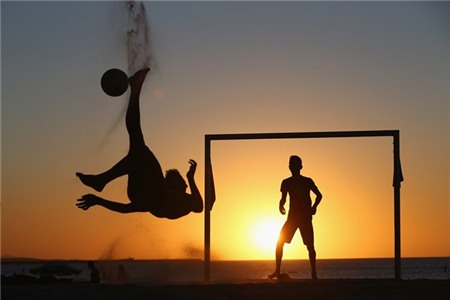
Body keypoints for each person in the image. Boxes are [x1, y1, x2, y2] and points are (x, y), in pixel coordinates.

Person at [76, 68, 203, 219]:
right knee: (137, 142)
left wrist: (98, 201)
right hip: (143, 178)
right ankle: (135, 88)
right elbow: (199, 205)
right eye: (178, 186)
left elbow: (125, 209)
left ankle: (102, 179)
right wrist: (190, 177)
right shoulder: (171, 193)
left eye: (181, 187)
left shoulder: (162, 201)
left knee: (139, 147)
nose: (181, 189)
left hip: (138, 192)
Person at [269, 155, 322, 280]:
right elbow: (283, 198)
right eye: (291, 165)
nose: (292, 167)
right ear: (289, 167)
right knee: (279, 243)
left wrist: (314, 207)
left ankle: (314, 274)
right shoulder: (286, 182)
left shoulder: (307, 181)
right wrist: (281, 206)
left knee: (310, 246)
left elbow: (319, 195)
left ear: (300, 167)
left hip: (305, 218)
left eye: (294, 165)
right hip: (292, 218)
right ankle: (277, 271)